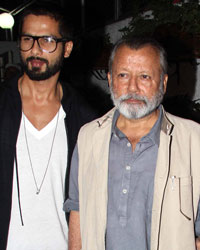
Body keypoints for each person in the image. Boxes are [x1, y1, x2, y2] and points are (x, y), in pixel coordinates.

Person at [65, 37, 200, 250]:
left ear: (163, 82)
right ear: (110, 80)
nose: (133, 88)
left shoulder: (193, 140)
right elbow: (78, 209)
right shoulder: (89, 137)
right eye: (123, 75)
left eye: (145, 76)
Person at [0, 2, 97, 250]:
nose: (35, 50)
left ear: (67, 48)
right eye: (28, 39)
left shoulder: (86, 120)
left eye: (47, 40)